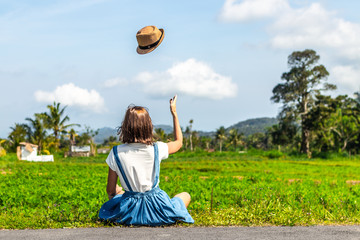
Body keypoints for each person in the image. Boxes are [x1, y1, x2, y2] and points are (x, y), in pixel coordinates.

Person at [98, 95, 194, 226]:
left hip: (129, 211)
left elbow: (110, 191)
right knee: (185, 195)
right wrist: (174, 113)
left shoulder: (115, 152)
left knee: (119, 190)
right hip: (158, 208)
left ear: (126, 126)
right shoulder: (157, 148)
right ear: (148, 126)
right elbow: (179, 142)